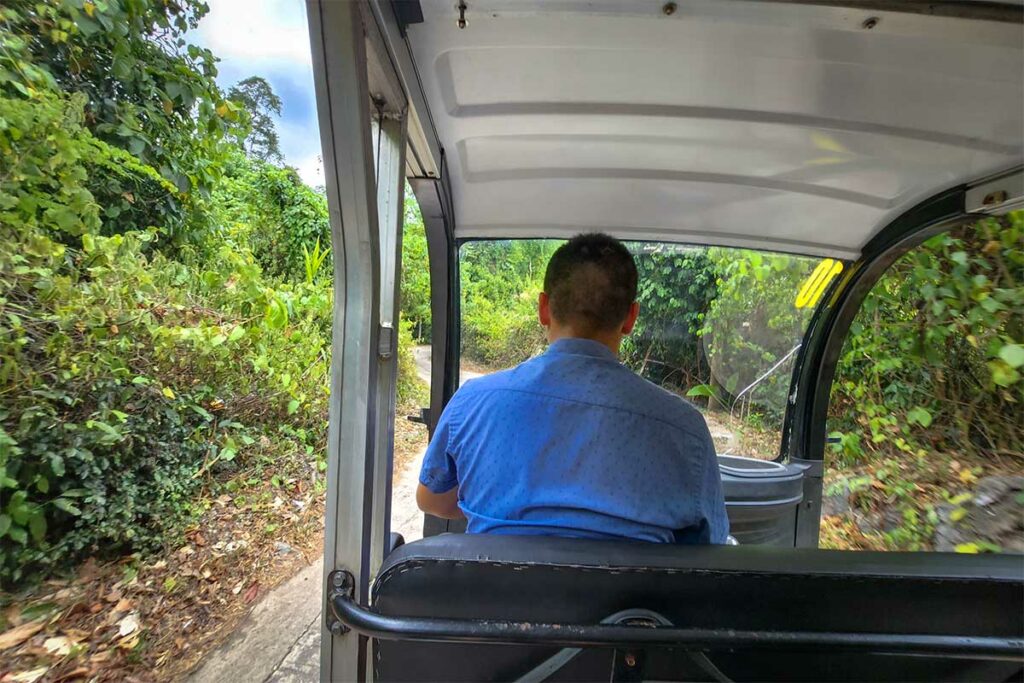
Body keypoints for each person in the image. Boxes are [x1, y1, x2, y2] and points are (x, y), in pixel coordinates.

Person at [416, 233, 729, 544]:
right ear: (630, 318)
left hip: (497, 593)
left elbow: (431, 500)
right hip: (634, 596)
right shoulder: (686, 430)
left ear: (543, 308)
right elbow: (708, 545)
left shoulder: (472, 402)